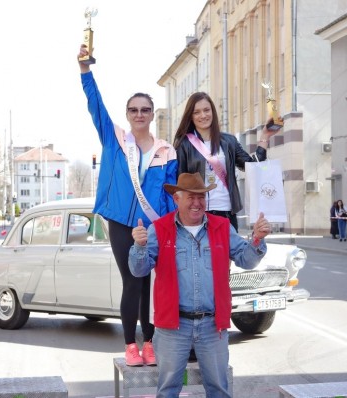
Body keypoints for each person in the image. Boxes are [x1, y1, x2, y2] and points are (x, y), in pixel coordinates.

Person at [78, 44, 178, 366]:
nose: (139, 114)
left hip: (152, 226)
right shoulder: (114, 138)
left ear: (152, 114)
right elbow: (95, 104)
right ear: (127, 114)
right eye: (133, 110)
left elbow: (169, 193)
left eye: (145, 110)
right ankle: (129, 346)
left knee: (149, 282)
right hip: (121, 222)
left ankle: (149, 342)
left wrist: (164, 224)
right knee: (132, 280)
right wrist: (85, 70)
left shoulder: (166, 151)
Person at [129, 172, 270, 398]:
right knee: (167, 392)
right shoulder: (159, 229)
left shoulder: (222, 227)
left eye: (201, 197)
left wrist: (256, 240)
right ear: (177, 199)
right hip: (172, 327)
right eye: (191, 197)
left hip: (212, 326)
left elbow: (247, 260)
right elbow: (139, 270)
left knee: (219, 391)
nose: (197, 203)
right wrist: (139, 246)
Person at [172, 92, 279, 232]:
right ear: (190, 116)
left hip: (227, 212)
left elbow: (254, 167)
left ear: (213, 111)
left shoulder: (229, 141)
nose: (203, 115)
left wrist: (265, 136)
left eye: (206, 110)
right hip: (197, 213)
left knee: (228, 254)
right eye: (196, 112)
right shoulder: (184, 144)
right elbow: (180, 184)